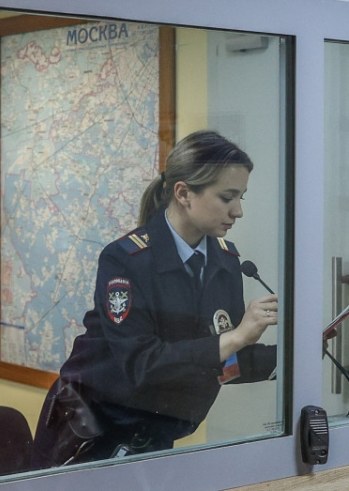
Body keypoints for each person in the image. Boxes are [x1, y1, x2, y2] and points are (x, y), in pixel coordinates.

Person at [30, 130, 278, 468]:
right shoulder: (126, 260)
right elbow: (142, 364)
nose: (238, 211)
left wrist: (293, 355)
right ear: (183, 193)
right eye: (227, 197)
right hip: (88, 436)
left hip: (155, 433)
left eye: (241, 198)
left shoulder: (226, 262)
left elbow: (221, 363)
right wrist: (235, 337)